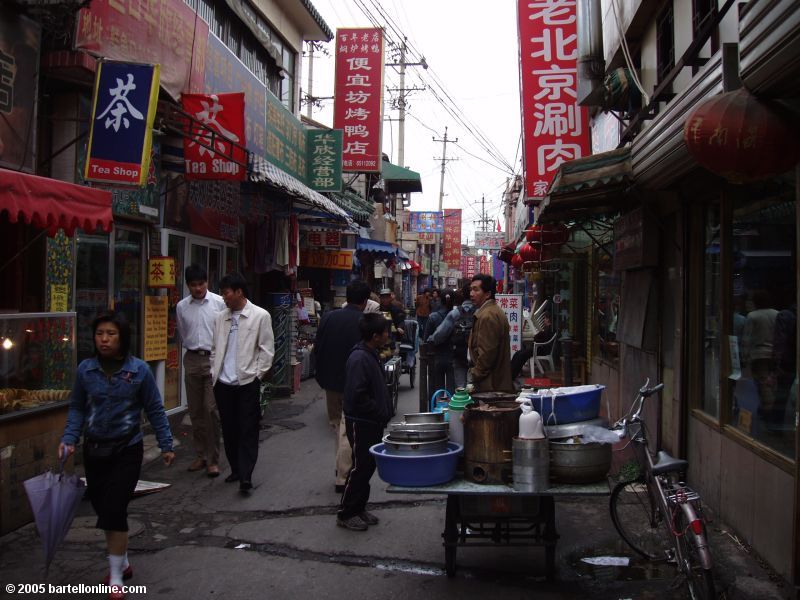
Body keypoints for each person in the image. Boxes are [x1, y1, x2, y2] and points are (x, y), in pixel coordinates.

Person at [59, 311, 174, 598]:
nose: (104, 339)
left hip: (127, 448)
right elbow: (77, 407)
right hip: (95, 449)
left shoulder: (138, 371)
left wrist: (166, 443)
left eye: (110, 334)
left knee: (114, 509)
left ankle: (114, 578)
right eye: (100, 334)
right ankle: (121, 561)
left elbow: (155, 408)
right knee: (102, 507)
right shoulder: (86, 370)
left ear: (122, 337)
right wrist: (69, 438)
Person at [211, 272, 274, 492]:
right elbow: (214, 348)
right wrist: (214, 371)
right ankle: (236, 469)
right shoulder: (221, 317)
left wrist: (257, 374)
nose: (223, 297)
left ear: (239, 292)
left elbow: (267, 350)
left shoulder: (260, 316)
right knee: (229, 429)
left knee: (248, 428)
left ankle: (246, 475)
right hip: (223, 382)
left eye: (226, 293)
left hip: (247, 381)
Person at [313, 279, 371, 493]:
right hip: (352, 382)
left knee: (338, 425)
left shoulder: (328, 317)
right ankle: (343, 475)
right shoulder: (364, 322)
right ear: (365, 301)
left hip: (330, 381)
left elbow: (317, 348)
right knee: (347, 428)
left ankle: (340, 467)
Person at [337, 313, 392, 531]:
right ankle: (346, 512)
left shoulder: (370, 353)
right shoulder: (359, 358)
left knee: (368, 466)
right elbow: (356, 395)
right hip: (362, 422)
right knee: (360, 467)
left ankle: (359, 507)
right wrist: (377, 411)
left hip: (371, 421)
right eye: (385, 332)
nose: (388, 335)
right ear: (375, 336)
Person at [176, 264, 225, 478]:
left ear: (208, 282)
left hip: (213, 358)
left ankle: (213, 458)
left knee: (210, 409)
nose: (198, 288)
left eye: (201, 284)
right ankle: (201, 455)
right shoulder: (181, 307)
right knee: (195, 410)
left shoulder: (219, 303)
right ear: (188, 285)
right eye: (194, 285)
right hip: (192, 359)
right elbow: (182, 332)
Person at [468, 274, 514, 393]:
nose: (471, 294)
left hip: (491, 386)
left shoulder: (488, 316)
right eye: (471, 289)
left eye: (476, 289)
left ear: (488, 294)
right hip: (493, 383)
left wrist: (474, 374)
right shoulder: (490, 311)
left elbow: (487, 355)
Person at [425, 289, 456, 394]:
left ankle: (438, 409)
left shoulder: (433, 317)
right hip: (453, 357)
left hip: (436, 356)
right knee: (452, 391)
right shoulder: (458, 316)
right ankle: (451, 410)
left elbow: (426, 339)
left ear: (440, 300)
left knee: (438, 390)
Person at [510, 312, 555, 380]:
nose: (544, 320)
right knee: (518, 353)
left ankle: (513, 375)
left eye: (545, 318)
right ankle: (510, 372)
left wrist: (537, 339)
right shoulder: (547, 328)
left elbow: (540, 339)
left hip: (540, 349)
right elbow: (538, 337)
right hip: (537, 348)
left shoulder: (550, 330)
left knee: (522, 355)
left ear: (549, 320)